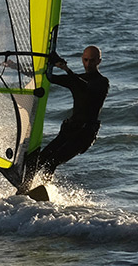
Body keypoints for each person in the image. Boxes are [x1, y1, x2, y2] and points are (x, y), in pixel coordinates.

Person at [28, 45, 109, 183]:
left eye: (92, 60)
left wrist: (66, 69)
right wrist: (16, 67)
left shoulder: (102, 82)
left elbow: (86, 88)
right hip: (70, 129)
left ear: (99, 61)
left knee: (52, 162)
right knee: (39, 160)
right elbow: (48, 77)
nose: (88, 64)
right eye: (85, 60)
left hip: (85, 134)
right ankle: (25, 186)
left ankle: (44, 187)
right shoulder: (75, 79)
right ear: (82, 59)